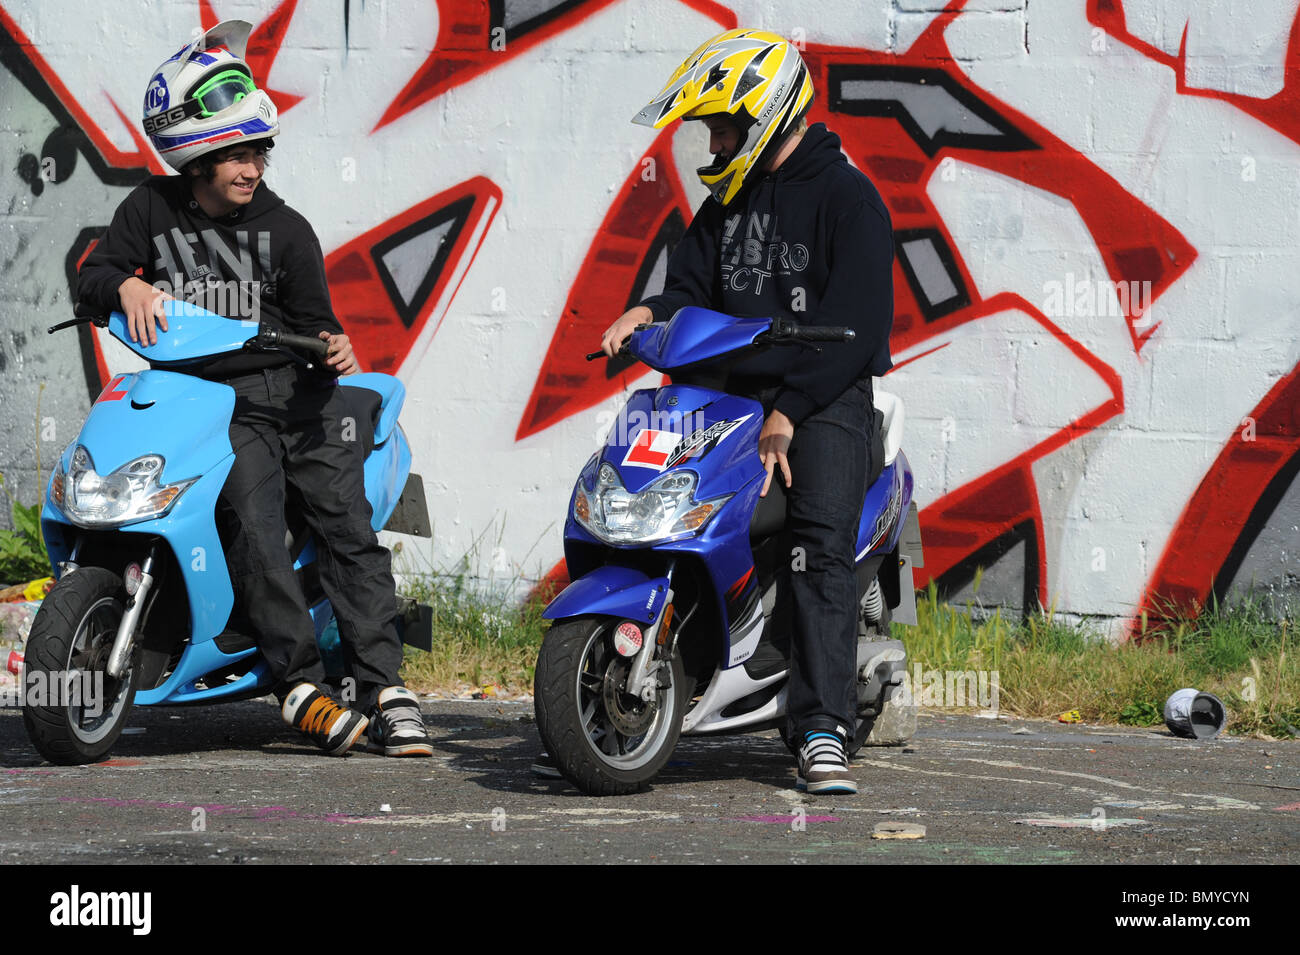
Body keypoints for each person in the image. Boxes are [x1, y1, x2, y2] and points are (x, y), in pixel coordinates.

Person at [75, 20, 432, 758]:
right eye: (237, 152)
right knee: (251, 520)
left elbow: (321, 326)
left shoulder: (289, 230)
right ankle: (299, 685)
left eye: (259, 150)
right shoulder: (148, 210)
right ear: (198, 157)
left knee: (345, 526)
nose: (252, 166)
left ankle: (385, 685)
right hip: (201, 401)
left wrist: (333, 345)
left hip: (295, 395)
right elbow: (93, 275)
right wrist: (127, 281)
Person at [600, 28, 895, 793]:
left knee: (815, 540)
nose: (713, 140)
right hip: (730, 396)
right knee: (650, 500)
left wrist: (789, 409)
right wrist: (648, 313)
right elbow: (692, 290)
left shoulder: (848, 199)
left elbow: (858, 325)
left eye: (723, 126)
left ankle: (820, 726)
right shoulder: (725, 202)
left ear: (764, 113)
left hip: (822, 397)